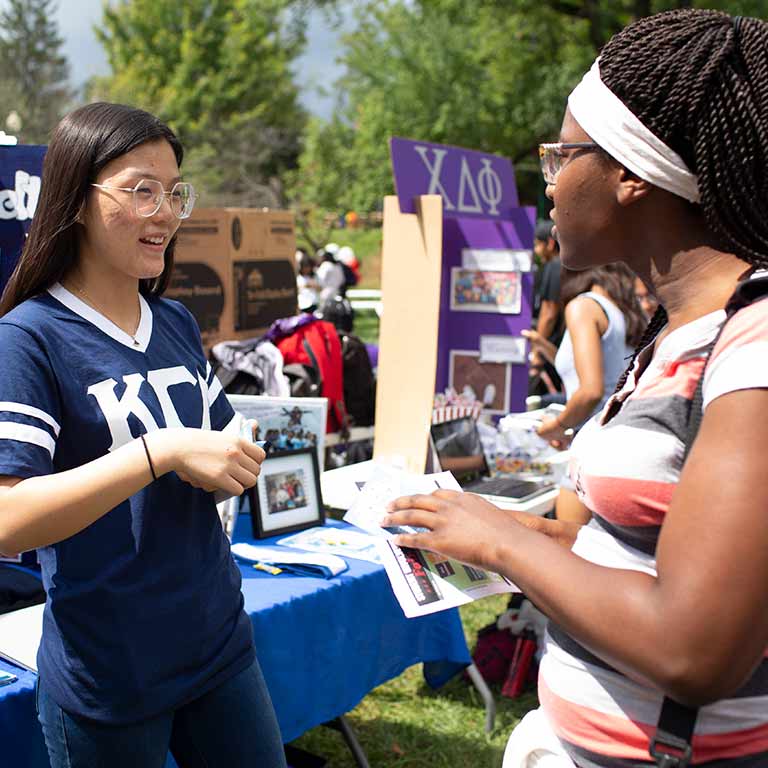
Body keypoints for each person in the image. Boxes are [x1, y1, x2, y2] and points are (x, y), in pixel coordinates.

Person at [383, 10, 768, 767]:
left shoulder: (752, 346)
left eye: (563, 156)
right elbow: (630, 551)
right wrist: (506, 533)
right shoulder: (678, 327)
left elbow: (696, 651)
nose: (551, 185)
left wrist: (499, 540)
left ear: (630, 173)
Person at [0, 103, 286, 768]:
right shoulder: (29, 339)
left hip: (219, 645)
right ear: (74, 200)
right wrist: (159, 453)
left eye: (175, 191)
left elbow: (220, 440)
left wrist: (251, 449)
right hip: (110, 674)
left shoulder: (176, 321)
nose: (166, 213)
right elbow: (9, 519)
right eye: (142, 190)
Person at [524, 264, 645, 522]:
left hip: (592, 443)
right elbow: (592, 372)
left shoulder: (583, 306)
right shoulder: (625, 311)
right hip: (622, 440)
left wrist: (557, 425)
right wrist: (543, 346)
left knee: (567, 546)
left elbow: (590, 391)